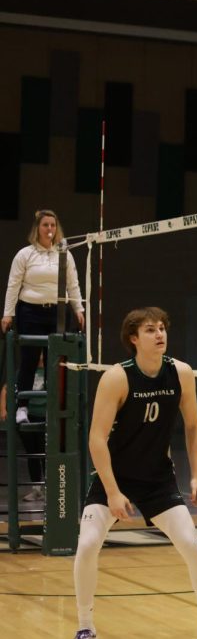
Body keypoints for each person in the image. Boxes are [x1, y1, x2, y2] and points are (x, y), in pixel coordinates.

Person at [69, 307, 197, 639]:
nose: (159, 334)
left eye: (162, 328)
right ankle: (85, 628)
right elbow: (96, 439)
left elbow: (193, 425)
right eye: (150, 329)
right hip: (114, 478)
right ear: (134, 338)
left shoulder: (182, 373)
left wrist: (195, 475)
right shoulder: (117, 378)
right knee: (86, 546)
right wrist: (113, 492)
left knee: (191, 544)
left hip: (158, 479)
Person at [3, 209, 85, 502]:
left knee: (56, 361)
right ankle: (23, 406)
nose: (49, 229)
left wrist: (79, 309)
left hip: (57, 312)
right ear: (37, 228)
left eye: (53, 225)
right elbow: (14, 284)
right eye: (45, 225)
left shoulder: (65, 254)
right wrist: (8, 313)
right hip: (29, 310)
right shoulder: (25, 254)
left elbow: (73, 282)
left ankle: (54, 403)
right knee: (28, 360)